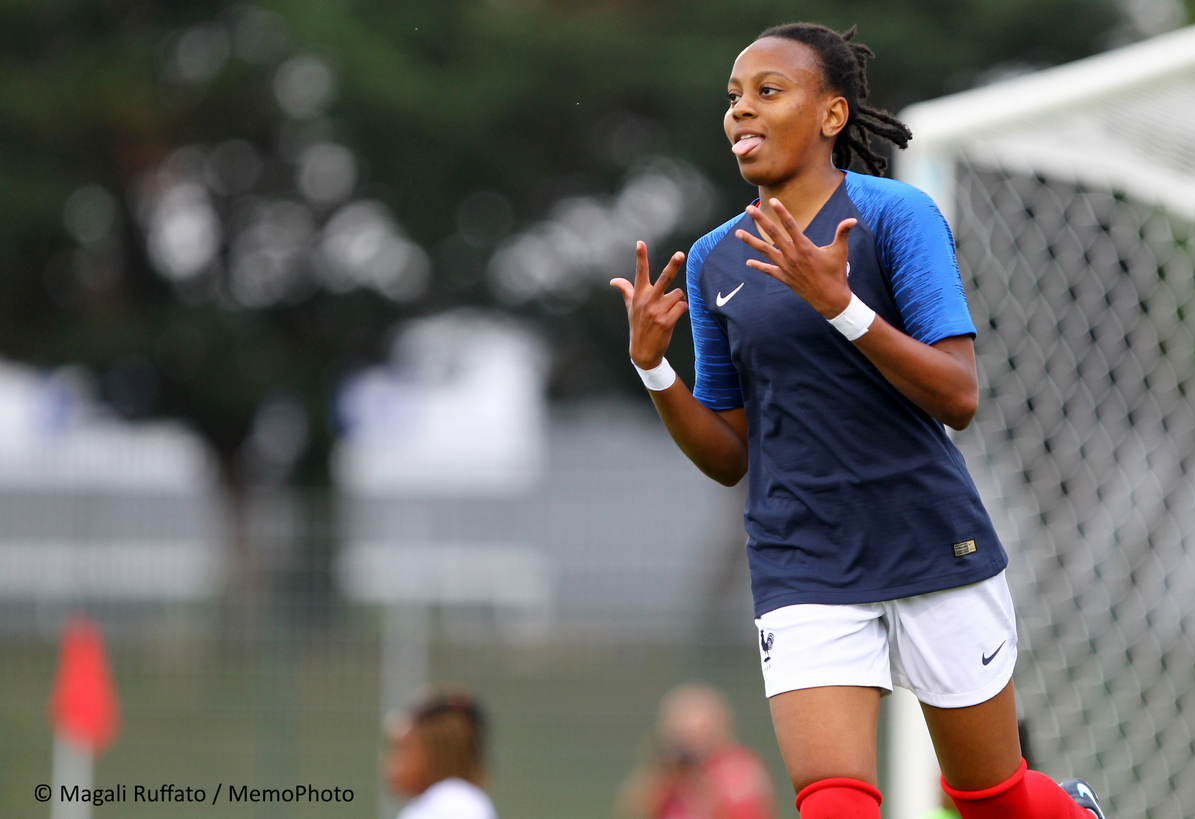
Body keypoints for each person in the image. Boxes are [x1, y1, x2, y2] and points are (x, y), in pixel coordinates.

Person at [609, 22, 1108, 819]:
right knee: (834, 800)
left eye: (768, 92)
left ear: (832, 114)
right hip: (801, 557)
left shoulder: (897, 216)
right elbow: (730, 453)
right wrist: (653, 367)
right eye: (733, 98)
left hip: (931, 538)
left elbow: (957, 395)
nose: (742, 112)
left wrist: (838, 305)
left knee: (988, 800)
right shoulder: (712, 258)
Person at [619, 684, 777, 819]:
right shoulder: (668, 772)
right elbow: (633, 810)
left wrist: (700, 783)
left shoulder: (739, 767)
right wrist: (659, 773)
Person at [384, 689, 497, 819]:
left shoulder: (455, 805)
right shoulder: (434, 805)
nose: (390, 763)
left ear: (434, 753)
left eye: (402, 750)